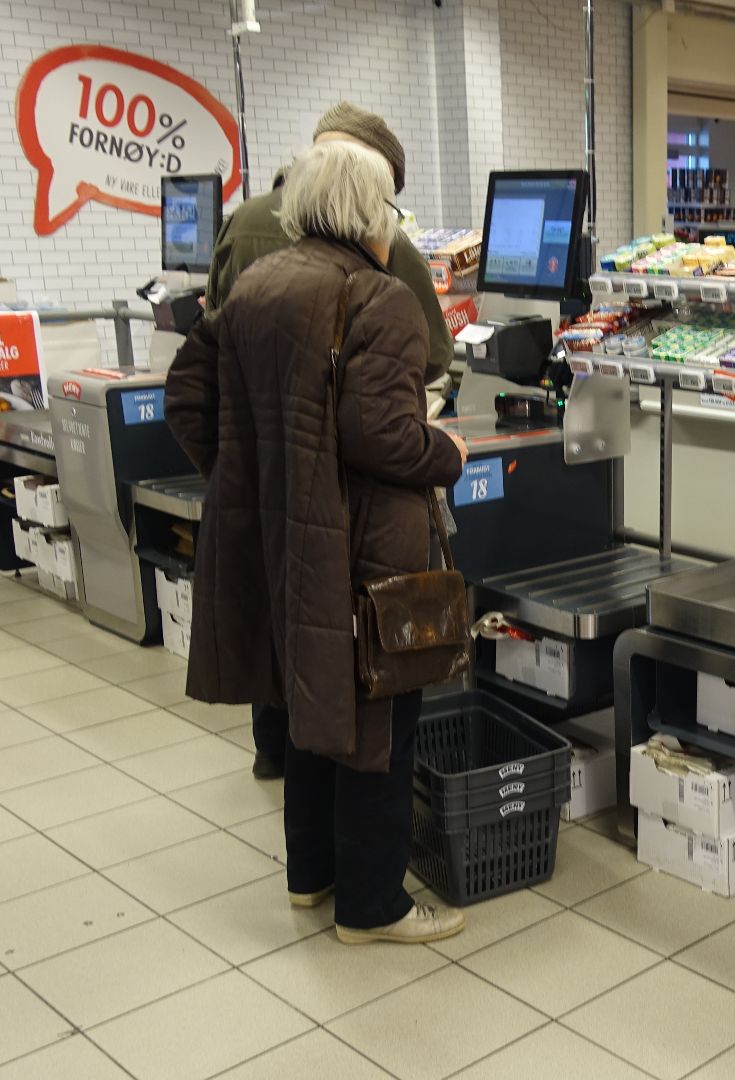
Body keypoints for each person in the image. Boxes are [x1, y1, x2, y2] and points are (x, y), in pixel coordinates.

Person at [165, 140, 470, 945]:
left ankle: (312, 880)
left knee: (306, 698)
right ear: (374, 217)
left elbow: (187, 397)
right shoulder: (379, 299)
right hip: (364, 546)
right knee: (378, 716)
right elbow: (380, 435)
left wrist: (249, 478)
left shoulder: (258, 285)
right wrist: (449, 452)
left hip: (280, 538)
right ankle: (374, 908)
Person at [207, 102, 454, 781]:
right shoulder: (378, 259)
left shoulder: (247, 231)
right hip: (348, 504)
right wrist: (442, 452)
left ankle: (274, 758)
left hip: (262, 479)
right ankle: (366, 875)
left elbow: (201, 364)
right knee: (351, 672)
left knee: (281, 623)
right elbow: (421, 372)